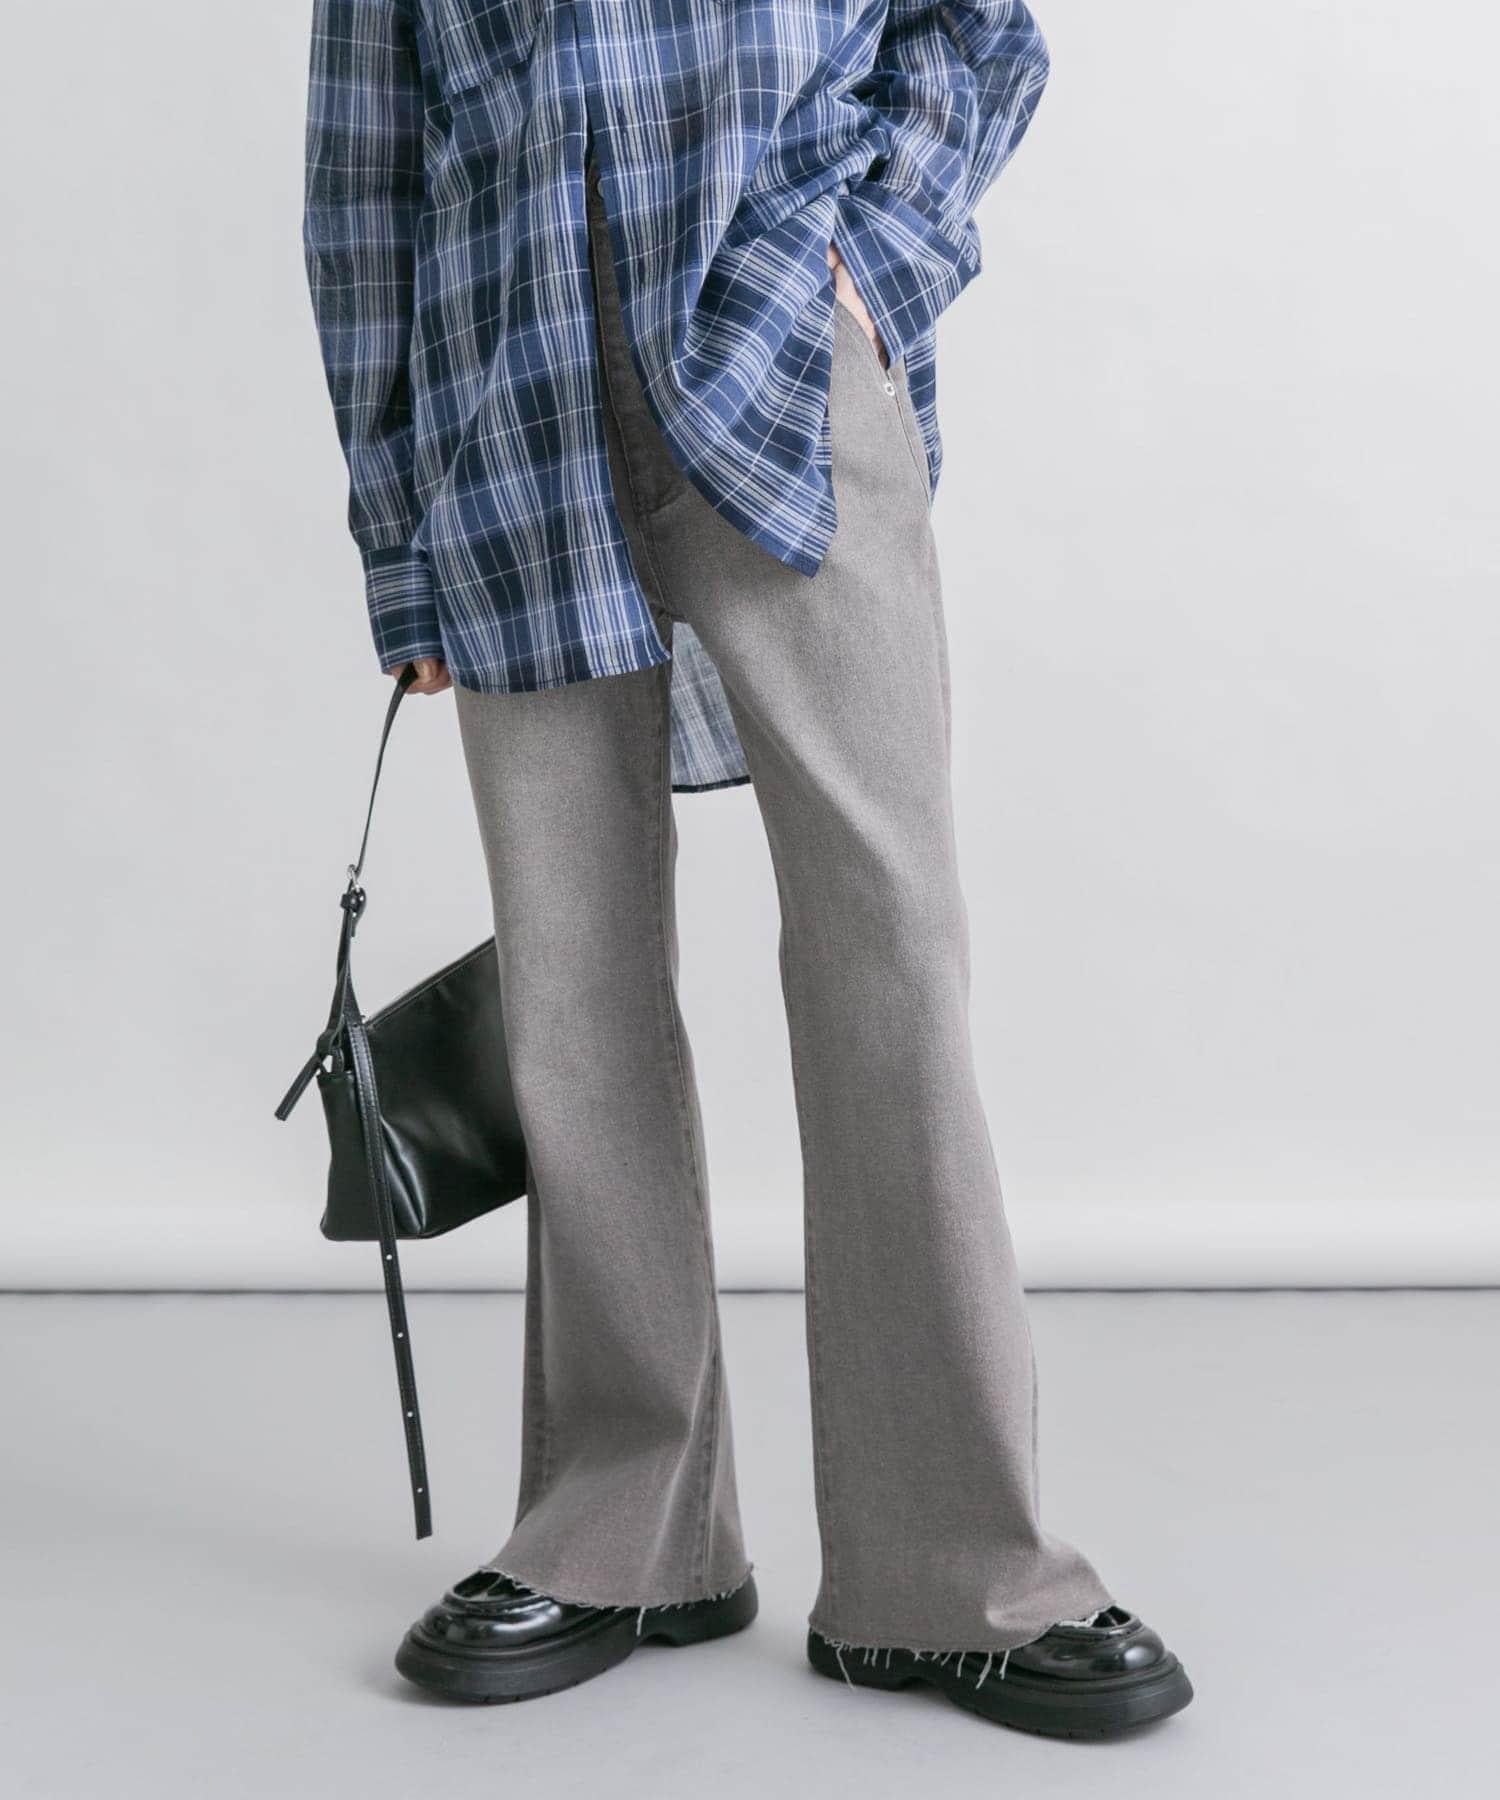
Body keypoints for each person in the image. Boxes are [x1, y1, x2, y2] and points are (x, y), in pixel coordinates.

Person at [302, 0, 1192, 1738]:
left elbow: (979, 35)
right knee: (573, 985)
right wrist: (399, 541)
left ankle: (952, 1573)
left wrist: (872, 263)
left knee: (888, 942)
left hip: (783, 360)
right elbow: (364, 176)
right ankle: (627, 1535)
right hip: (513, 413)